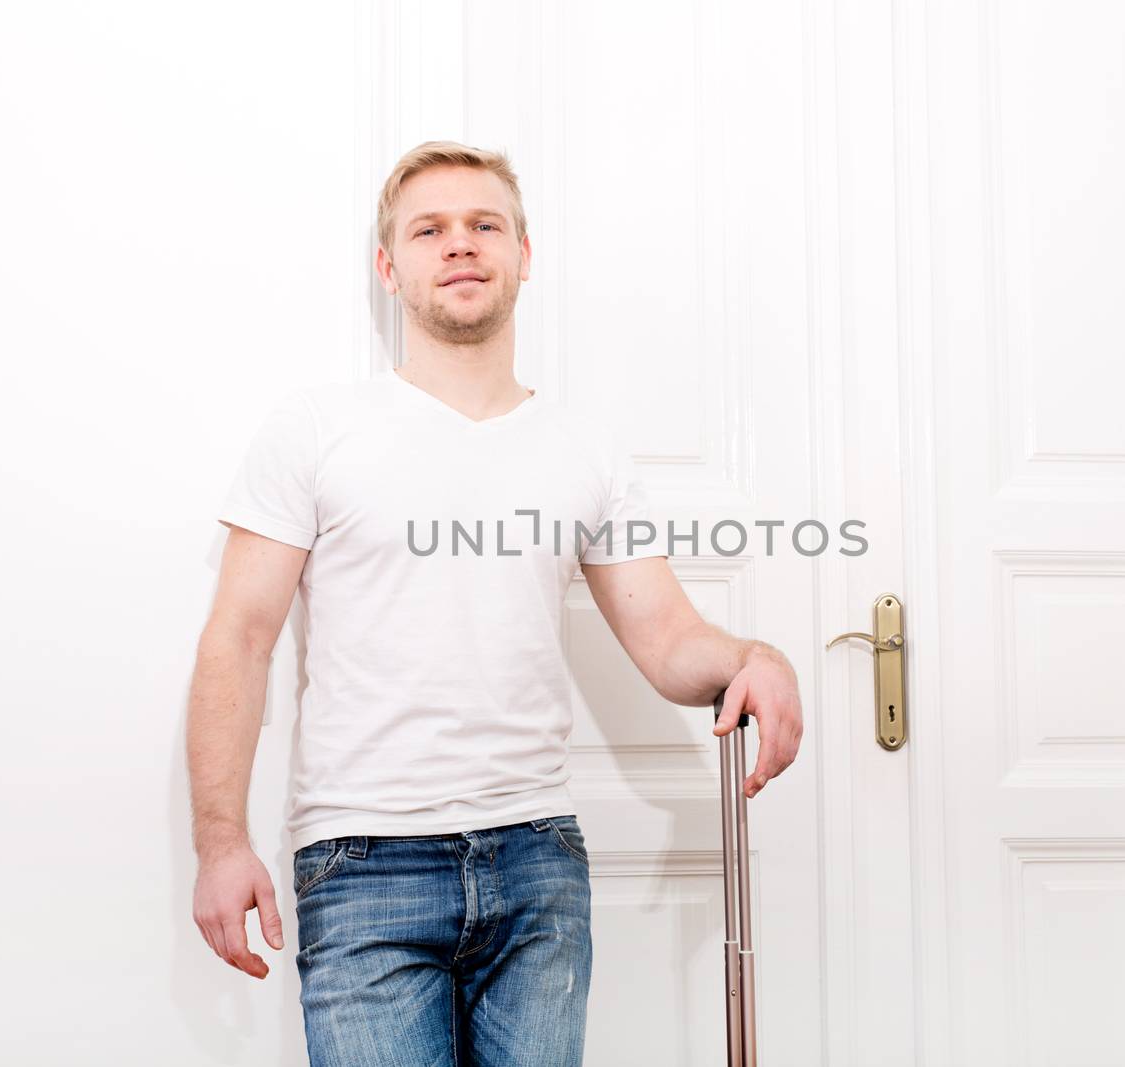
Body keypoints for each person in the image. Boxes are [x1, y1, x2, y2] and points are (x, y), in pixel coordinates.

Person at [186, 140, 803, 1066]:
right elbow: (238, 639)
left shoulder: (583, 447)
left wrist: (761, 658)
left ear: (524, 253)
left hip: (537, 857)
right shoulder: (317, 428)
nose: (460, 245)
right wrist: (221, 840)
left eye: (485, 225)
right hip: (365, 862)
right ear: (390, 269)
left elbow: (669, 639)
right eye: (429, 230)